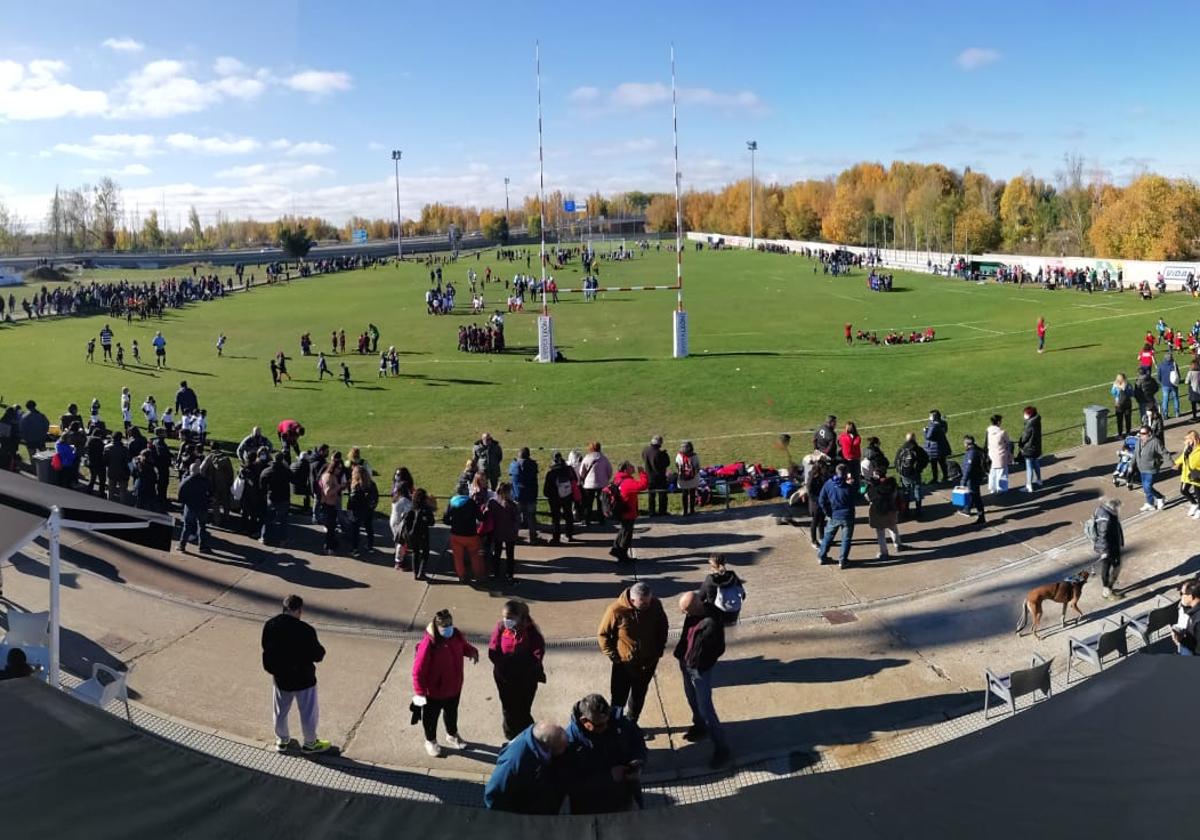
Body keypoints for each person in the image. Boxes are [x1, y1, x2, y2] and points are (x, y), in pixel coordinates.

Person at [261, 594, 331, 754]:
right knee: (308, 712)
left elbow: (266, 649)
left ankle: (282, 740)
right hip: (304, 678)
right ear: (299, 610)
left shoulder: (270, 625)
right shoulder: (306, 630)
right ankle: (310, 743)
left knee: (280, 711)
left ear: (284, 608)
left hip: (281, 677)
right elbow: (318, 655)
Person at [597, 581, 669, 726]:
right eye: (643, 604)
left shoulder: (655, 604)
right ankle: (616, 726)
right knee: (618, 698)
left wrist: (659, 650)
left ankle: (631, 724)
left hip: (648, 663)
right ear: (632, 600)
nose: (647, 606)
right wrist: (613, 656)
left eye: (649, 601)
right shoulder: (616, 610)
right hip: (624, 664)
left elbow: (663, 626)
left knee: (639, 695)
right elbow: (603, 634)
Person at [563, 693, 647, 814]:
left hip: (624, 800)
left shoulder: (620, 723)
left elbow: (638, 741)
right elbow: (572, 783)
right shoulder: (570, 742)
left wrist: (638, 761)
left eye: (607, 721)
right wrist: (609, 777)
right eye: (600, 725)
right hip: (591, 808)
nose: (606, 726)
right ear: (584, 720)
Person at [674, 591, 730, 768]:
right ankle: (699, 726)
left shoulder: (712, 623)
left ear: (695, 607)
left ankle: (721, 748)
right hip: (686, 664)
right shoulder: (693, 614)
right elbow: (686, 636)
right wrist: (683, 656)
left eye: (685, 610)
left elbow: (719, 648)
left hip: (699, 670)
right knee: (691, 698)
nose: (684, 614)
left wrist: (702, 663)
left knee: (706, 709)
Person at [412, 609, 479, 757]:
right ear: (437, 626)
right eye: (445, 625)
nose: (448, 628)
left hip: (454, 687)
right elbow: (418, 670)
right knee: (430, 718)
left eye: (450, 624)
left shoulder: (456, 635)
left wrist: (472, 651)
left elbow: (464, 646)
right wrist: (419, 693)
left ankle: (452, 734)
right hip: (433, 692)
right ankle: (430, 740)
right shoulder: (429, 644)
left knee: (451, 713)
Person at [488, 600, 546, 741]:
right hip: (504, 678)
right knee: (508, 709)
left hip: (525, 679)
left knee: (523, 709)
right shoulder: (501, 627)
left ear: (520, 617)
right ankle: (511, 737)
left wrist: (519, 667)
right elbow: (493, 650)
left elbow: (536, 656)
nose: (506, 620)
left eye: (510, 617)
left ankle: (526, 735)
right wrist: (505, 666)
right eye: (504, 617)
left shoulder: (531, 632)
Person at [483, 721, 568, 814]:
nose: (565, 749)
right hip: (523, 818)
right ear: (547, 747)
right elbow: (494, 794)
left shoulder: (540, 742)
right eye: (562, 747)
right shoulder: (512, 763)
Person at [816, 463, 857, 568]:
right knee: (846, 539)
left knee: (828, 537)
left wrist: (828, 512)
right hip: (847, 516)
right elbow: (856, 498)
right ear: (846, 474)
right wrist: (852, 485)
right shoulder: (849, 487)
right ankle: (843, 560)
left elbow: (821, 500)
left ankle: (822, 556)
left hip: (834, 515)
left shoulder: (829, 484)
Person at [444, 482, 485, 583]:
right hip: (471, 535)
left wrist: (453, 523)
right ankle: (478, 575)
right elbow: (481, 517)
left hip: (456, 534)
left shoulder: (452, 502)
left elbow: (445, 519)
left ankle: (462, 576)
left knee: (458, 557)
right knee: (475, 556)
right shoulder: (471, 502)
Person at [609, 461, 649, 563]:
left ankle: (616, 550)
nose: (633, 467)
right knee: (627, 533)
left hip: (621, 510)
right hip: (628, 511)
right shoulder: (628, 482)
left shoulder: (618, 479)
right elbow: (643, 485)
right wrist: (642, 473)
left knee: (623, 530)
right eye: (631, 466)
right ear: (626, 469)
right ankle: (622, 554)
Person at [483, 482, 521, 583]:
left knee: (497, 553)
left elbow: (486, 514)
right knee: (510, 555)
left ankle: (496, 573)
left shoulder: (492, 502)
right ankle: (509, 574)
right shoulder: (513, 505)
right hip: (510, 533)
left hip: (496, 532)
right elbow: (517, 520)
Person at [1090, 497, 1125, 600]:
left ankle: (1108, 588)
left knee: (1112, 566)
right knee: (1111, 567)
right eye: (1118, 509)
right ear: (1113, 508)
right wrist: (1105, 551)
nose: (1119, 511)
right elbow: (1103, 536)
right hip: (1108, 548)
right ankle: (1107, 591)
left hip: (1111, 546)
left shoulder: (1103, 511)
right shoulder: (1107, 519)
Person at [866, 468, 902, 560]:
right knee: (893, 527)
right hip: (891, 510)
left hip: (878, 512)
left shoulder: (873, 488)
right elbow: (895, 495)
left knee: (880, 533)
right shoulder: (892, 485)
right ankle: (898, 545)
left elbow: (868, 497)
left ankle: (884, 552)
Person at [542, 452, 577, 544]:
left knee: (556, 518)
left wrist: (549, 495)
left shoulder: (551, 473)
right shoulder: (569, 469)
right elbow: (575, 480)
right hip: (568, 496)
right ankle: (569, 535)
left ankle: (556, 537)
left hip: (554, 498)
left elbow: (546, 489)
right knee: (568, 515)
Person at [260, 453, 292, 547]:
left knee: (268, 519)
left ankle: (265, 538)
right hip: (283, 498)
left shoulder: (267, 471)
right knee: (283, 520)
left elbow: (262, 483)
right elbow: (293, 478)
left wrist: (265, 493)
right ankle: (282, 539)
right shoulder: (286, 471)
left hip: (272, 498)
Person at [508, 447, 539, 544]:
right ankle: (533, 538)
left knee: (516, 518)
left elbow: (511, 475)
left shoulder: (513, 465)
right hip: (530, 496)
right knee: (531, 518)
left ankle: (514, 537)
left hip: (517, 496)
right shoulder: (533, 465)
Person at [894, 432, 929, 517]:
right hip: (915, 474)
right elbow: (926, 459)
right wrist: (920, 469)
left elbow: (896, 461)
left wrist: (900, 471)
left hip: (904, 474)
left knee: (906, 492)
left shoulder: (901, 449)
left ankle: (906, 511)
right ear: (914, 439)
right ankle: (918, 510)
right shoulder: (918, 449)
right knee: (917, 491)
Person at [578, 441, 613, 526]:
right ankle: (601, 520)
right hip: (602, 484)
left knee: (588, 503)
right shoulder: (604, 458)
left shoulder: (587, 458)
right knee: (601, 503)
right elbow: (609, 470)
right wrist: (606, 479)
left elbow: (581, 472)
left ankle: (587, 520)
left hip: (589, 485)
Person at [1133, 424, 1167, 512]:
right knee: (1145, 487)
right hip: (1142, 468)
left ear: (1149, 433)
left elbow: (1164, 453)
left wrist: (1172, 464)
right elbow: (1135, 454)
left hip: (1151, 468)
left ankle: (1160, 497)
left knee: (1147, 486)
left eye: (1144, 433)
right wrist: (1131, 465)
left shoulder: (1155, 442)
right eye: (1140, 433)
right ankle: (1150, 503)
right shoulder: (1138, 442)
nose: (1141, 435)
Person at [316, 460, 345, 555]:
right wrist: (339, 487)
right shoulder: (328, 477)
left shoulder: (331, 476)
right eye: (339, 468)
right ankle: (329, 548)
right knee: (331, 528)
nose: (340, 470)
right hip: (328, 505)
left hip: (331, 504)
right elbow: (327, 492)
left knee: (332, 527)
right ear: (334, 468)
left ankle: (331, 545)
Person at [408, 487, 436, 580]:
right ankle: (421, 572)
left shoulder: (412, 507)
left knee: (415, 553)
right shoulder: (426, 509)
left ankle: (415, 573)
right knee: (425, 553)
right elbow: (431, 522)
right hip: (423, 533)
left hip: (413, 533)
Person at [959, 435, 987, 523]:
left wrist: (963, 481)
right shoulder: (977, 450)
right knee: (972, 494)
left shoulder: (971, 453)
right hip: (977, 476)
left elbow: (968, 468)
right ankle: (967, 510)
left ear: (967, 444)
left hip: (972, 478)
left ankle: (981, 516)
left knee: (976, 497)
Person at [641, 435, 670, 516]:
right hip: (659, 477)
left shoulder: (645, 450)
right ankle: (662, 511)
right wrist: (665, 455)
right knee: (662, 495)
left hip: (649, 477)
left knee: (651, 496)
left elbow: (644, 458)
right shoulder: (659, 453)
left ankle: (651, 511)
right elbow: (666, 463)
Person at [1170, 580, 1200, 655]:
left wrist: (1180, 640)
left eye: (1182, 594)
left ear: (1191, 596)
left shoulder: (1198, 621)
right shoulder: (1190, 608)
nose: (1180, 597)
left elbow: (1198, 650)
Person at [1017, 406, 1043, 493]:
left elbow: (1025, 437)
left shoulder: (1030, 423)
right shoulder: (1037, 420)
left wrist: (1020, 443)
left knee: (1029, 466)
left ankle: (1029, 485)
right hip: (1036, 447)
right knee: (1035, 462)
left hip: (1029, 448)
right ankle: (1039, 480)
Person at [1175, 430, 1200, 519]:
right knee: (1183, 490)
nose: (1186, 441)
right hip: (1187, 474)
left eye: (1188, 439)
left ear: (1194, 439)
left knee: (1198, 494)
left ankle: (1199, 510)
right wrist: (1175, 463)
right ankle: (1194, 504)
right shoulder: (1188, 448)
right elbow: (1183, 457)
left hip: (1197, 475)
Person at [985, 414, 1012, 494]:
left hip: (991, 455)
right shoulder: (1002, 432)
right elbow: (1008, 443)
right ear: (999, 422)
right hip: (1001, 455)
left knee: (992, 472)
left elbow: (986, 443)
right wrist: (1010, 454)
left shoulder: (988, 430)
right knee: (1002, 473)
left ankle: (992, 488)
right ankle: (1001, 489)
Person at [389, 482, 414, 570]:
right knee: (401, 542)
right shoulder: (405, 500)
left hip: (393, 521)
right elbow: (409, 511)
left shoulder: (396, 498)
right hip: (400, 523)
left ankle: (399, 558)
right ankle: (399, 562)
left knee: (398, 541)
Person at [104, 431, 131, 503]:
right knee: (122, 492)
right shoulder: (125, 449)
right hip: (123, 472)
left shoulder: (107, 448)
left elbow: (105, 461)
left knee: (111, 491)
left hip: (112, 471)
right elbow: (128, 461)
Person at [924, 410, 950, 483]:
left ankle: (935, 479)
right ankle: (945, 477)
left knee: (934, 464)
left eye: (930, 416)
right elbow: (944, 431)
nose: (929, 417)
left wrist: (925, 431)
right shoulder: (943, 423)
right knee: (942, 463)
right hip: (942, 447)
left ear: (934, 417)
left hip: (933, 448)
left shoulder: (933, 425)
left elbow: (928, 437)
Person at [676, 440, 701, 516]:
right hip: (693, 479)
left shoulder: (679, 456)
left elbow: (677, 467)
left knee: (684, 494)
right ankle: (692, 509)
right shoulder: (695, 456)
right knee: (692, 493)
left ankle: (685, 511)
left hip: (683, 479)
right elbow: (698, 467)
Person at [1159, 351, 1182, 419]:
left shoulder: (1161, 365)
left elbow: (1159, 376)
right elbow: (1178, 374)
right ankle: (1177, 413)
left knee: (1165, 399)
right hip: (1174, 384)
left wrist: (1161, 381)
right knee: (1175, 398)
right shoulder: (1174, 364)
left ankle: (1165, 414)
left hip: (1165, 384)